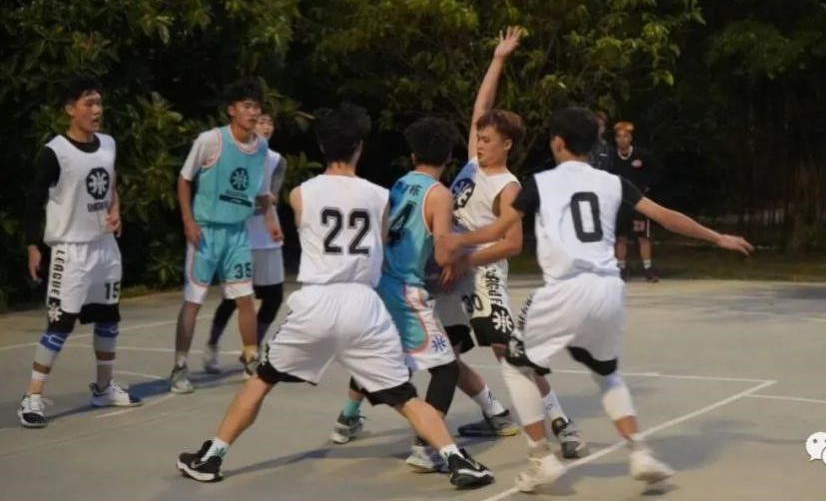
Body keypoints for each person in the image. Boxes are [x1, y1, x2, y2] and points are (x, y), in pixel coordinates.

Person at [176, 104, 494, 489]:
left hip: (317, 301)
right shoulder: (379, 196)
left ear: (323, 147)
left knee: (262, 380)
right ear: (359, 147)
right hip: (363, 304)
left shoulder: (300, 194)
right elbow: (381, 242)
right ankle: (456, 458)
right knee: (405, 397)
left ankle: (212, 456)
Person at [449, 106, 754, 492]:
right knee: (607, 373)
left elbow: (499, 229)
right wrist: (717, 237)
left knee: (515, 363)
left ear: (557, 143)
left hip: (566, 288)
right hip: (608, 290)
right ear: (593, 145)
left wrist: (456, 243)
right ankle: (640, 453)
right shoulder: (613, 183)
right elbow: (665, 216)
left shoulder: (541, 184)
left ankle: (541, 459)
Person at [431, 27, 586, 459]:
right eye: (478, 137)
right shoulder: (473, 164)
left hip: (482, 274)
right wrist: (498, 59)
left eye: (487, 139)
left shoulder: (508, 185)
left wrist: (467, 259)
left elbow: (513, 244)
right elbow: (480, 108)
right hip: (453, 272)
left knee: (508, 350)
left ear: (506, 145)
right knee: (443, 350)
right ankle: (495, 413)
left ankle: (561, 421)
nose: (479, 143)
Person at [327, 117, 471, 472]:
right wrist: (468, 248)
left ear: (413, 156)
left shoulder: (400, 184)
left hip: (380, 281)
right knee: (446, 370)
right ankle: (427, 447)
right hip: (406, 290)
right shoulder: (440, 195)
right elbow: (442, 254)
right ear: (449, 157)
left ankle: (347, 418)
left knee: (384, 356)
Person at [18, 78, 140, 427]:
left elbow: (110, 184)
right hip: (70, 250)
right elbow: (33, 201)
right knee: (60, 324)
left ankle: (103, 388)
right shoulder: (55, 152)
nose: (96, 110)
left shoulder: (108, 144)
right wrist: (32, 245)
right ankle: (33, 396)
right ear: (70, 109)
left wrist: (116, 209)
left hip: (104, 246)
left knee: (108, 318)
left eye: (99, 102)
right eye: (89, 103)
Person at [170, 79, 282, 393]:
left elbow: (261, 192)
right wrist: (188, 220)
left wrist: (271, 220)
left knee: (244, 297)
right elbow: (184, 179)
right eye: (247, 106)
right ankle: (179, 366)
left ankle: (251, 358)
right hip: (205, 231)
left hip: (237, 233)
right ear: (232, 110)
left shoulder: (261, 148)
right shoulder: (211, 140)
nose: (253, 112)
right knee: (194, 300)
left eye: (257, 107)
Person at [204, 113, 287, 372]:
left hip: (267, 236)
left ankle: (252, 351)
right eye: (261, 121)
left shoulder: (277, 160)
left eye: (270, 122)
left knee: (273, 298)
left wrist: (259, 198)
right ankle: (212, 344)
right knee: (234, 299)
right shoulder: (232, 156)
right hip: (240, 235)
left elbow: (272, 196)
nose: (266, 126)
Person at [611, 121, 661, 282]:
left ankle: (648, 269)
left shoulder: (641, 155)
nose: (622, 140)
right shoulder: (611, 157)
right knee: (621, 237)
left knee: (643, 237)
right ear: (615, 139)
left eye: (626, 136)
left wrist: (647, 186)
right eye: (619, 136)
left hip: (639, 202)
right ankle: (621, 269)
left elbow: (655, 171)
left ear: (631, 138)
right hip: (619, 202)